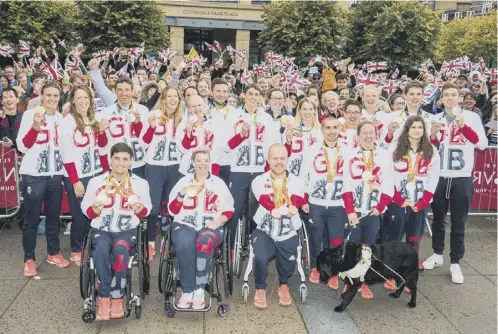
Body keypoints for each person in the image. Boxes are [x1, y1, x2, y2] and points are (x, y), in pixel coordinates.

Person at [423, 82, 487, 284]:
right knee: (439, 220)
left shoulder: (471, 117)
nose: (450, 98)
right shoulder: (436, 118)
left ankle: (455, 262)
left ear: (459, 97)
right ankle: (437, 254)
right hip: (440, 176)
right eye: (446, 95)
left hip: (461, 176)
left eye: (453, 94)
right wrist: (432, 135)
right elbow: (430, 149)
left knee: (459, 222)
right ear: (441, 98)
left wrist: (463, 126)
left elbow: (482, 144)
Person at [81, 143, 152, 321]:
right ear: (110, 159)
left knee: (120, 252)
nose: (121, 163)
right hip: (102, 228)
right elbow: (85, 207)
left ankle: (117, 297)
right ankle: (104, 297)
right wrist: (94, 210)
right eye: (117, 158)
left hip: (126, 230)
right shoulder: (96, 182)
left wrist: (140, 209)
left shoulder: (140, 184)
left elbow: (147, 210)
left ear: (131, 162)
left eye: (125, 159)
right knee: (101, 250)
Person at [168, 148, 234, 309]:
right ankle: (187, 290)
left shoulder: (218, 183)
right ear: (193, 163)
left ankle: (199, 289)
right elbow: (172, 210)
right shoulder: (183, 182)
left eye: (205, 160)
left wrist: (217, 222)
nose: (202, 164)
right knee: (185, 243)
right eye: (199, 161)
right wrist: (181, 195)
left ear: (210, 162)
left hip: (211, 224)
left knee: (204, 241)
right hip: (185, 223)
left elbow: (229, 210)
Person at [17, 81, 68, 277]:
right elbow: (22, 145)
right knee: (32, 218)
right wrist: (35, 127)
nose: (52, 99)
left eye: (56, 95)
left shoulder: (61, 118)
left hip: (55, 175)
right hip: (34, 175)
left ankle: (53, 253)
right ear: (41, 95)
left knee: (54, 217)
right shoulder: (30, 115)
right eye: (49, 95)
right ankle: (28, 259)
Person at [385, 115, 440, 290]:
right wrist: (398, 199)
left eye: (420, 127)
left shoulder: (431, 150)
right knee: (394, 239)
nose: (417, 130)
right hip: (399, 202)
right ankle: (390, 275)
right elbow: (387, 175)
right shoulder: (394, 148)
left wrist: (424, 201)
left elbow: (433, 178)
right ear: (407, 129)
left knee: (413, 241)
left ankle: (407, 277)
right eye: (413, 127)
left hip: (419, 203)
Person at [341, 121, 394, 299]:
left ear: (376, 135)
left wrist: (380, 207)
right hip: (355, 211)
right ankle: (349, 282)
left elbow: (389, 186)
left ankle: (361, 282)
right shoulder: (349, 155)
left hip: (373, 212)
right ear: (358, 135)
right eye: (364, 132)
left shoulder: (385, 156)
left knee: (367, 249)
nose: (368, 136)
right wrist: (350, 211)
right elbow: (346, 185)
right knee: (352, 248)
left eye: (371, 132)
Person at [250, 144, 307, 309]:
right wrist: (273, 209)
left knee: (288, 262)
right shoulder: (259, 180)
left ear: (287, 160)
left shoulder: (296, 181)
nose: (279, 162)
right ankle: (260, 288)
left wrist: (293, 207)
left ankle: (284, 284)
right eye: (275, 158)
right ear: (268, 160)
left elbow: (297, 198)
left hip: (288, 231)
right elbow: (263, 198)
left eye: (282, 158)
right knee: (260, 257)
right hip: (265, 230)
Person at [224, 83, 279, 246]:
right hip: (238, 169)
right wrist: (241, 135)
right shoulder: (233, 116)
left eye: (257, 94)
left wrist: (270, 172)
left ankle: (255, 242)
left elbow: (273, 146)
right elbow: (227, 146)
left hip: (259, 170)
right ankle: (231, 244)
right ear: (244, 96)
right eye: (251, 94)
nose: (253, 97)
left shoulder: (266, 118)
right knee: (236, 207)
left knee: (258, 210)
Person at [60, 85, 108, 266]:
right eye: (78, 98)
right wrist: (75, 180)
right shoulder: (68, 121)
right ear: (72, 100)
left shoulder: (92, 119)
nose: (82, 101)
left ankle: (91, 247)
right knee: (80, 215)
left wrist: (101, 131)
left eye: (85, 98)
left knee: (94, 211)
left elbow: (102, 146)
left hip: (94, 173)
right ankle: (75, 249)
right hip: (78, 176)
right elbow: (66, 153)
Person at [300, 117, 347, 290]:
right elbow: (303, 177)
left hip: (338, 203)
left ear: (339, 129)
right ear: (322, 130)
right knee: (315, 237)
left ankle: (333, 272)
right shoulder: (311, 151)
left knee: (336, 240)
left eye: (335, 127)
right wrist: (304, 200)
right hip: (316, 203)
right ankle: (315, 267)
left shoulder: (348, 151)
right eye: (328, 128)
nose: (332, 131)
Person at [141, 87, 183, 260]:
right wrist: (151, 128)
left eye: (176, 96)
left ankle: (169, 239)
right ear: (164, 99)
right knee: (153, 207)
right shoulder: (154, 115)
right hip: (154, 166)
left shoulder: (183, 118)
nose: (173, 99)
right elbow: (143, 141)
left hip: (175, 166)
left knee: (171, 206)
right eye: (169, 96)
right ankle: (150, 242)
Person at [99, 77, 149, 178]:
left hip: (138, 163)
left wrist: (137, 124)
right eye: (120, 90)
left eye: (126, 90)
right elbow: (102, 144)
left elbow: (146, 140)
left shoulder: (143, 110)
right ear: (115, 91)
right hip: (116, 165)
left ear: (132, 91)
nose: (123, 93)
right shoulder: (105, 113)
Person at [205, 78, 240, 185]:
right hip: (209, 162)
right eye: (218, 91)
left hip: (229, 162)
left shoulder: (235, 112)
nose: (221, 94)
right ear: (211, 92)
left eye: (224, 91)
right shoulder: (204, 111)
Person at [381, 81, 434, 149]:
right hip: (398, 157)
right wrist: (390, 134)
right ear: (405, 95)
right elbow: (383, 145)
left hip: (421, 158)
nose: (415, 97)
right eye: (411, 94)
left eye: (418, 94)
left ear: (422, 96)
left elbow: (434, 146)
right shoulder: (392, 117)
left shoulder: (430, 118)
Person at [284, 97, 322, 177]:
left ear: (315, 111)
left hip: (314, 174)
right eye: (304, 109)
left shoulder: (321, 130)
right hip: (293, 173)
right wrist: (288, 142)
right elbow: (284, 153)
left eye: (310, 109)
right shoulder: (291, 128)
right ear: (299, 111)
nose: (307, 112)